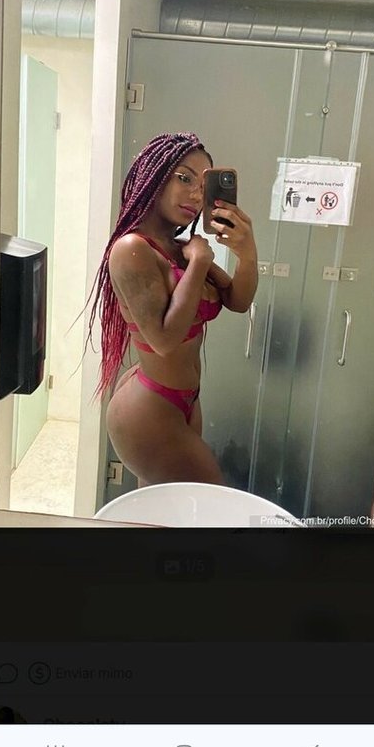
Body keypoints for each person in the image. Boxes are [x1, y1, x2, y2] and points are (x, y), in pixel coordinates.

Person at [85, 132, 258, 487]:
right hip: (149, 407)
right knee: (207, 501)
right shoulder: (131, 249)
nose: (196, 195)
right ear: (154, 176)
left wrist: (247, 252)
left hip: (185, 400)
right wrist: (199, 263)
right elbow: (163, 340)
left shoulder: (180, 247)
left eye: (203, 186)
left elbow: (238, 301)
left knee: (163, 510)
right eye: (185, 178)